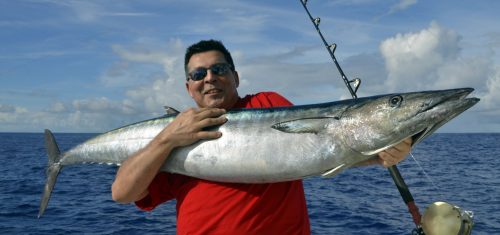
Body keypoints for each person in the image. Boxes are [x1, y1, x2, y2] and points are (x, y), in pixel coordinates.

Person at [111, 39, 413, 234]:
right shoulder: (173, 134)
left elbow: (318, 148)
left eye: (219, 69)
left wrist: (377, 157)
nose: (210, 78)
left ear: (235, 77)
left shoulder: (268, 103)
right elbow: (122, 193)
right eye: (198, 74)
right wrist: (168, 138)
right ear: (188, 87)